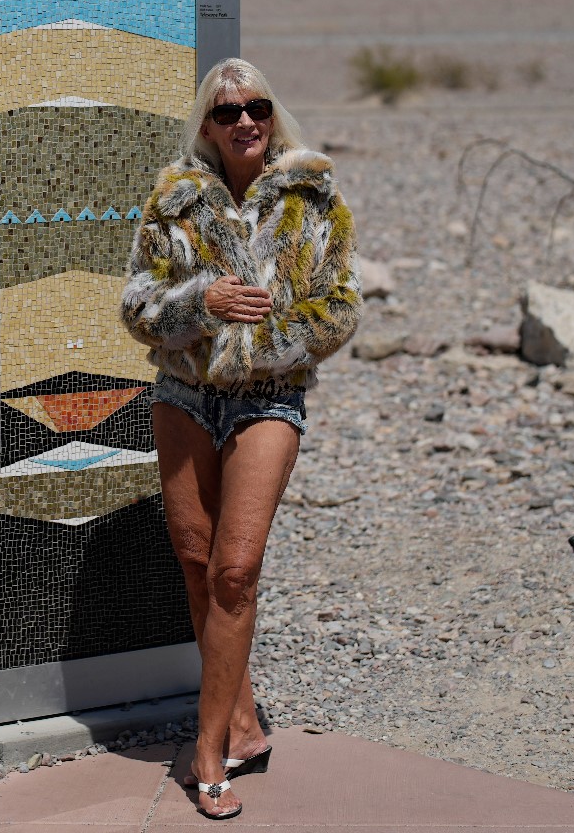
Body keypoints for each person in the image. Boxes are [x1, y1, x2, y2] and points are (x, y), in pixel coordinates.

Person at [120, 57, 361, 820]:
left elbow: (341, 308)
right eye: (228, 112)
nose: (245, 121)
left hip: (268, 401)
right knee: (196, 566)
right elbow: (136, 304)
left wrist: (256, 347)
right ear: (208, 124)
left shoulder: (312, 199)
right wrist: (202, 299)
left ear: (272, 113)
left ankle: (207, 746)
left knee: (235, 572)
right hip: (184, 398)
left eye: (256, 106)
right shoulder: (174, 200)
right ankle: (245, 723)